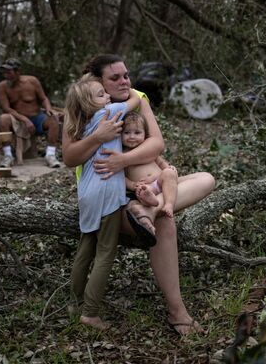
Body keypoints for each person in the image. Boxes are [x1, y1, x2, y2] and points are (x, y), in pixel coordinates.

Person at [62, 54, 215, 336]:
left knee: (206, 178)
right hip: (112, 199)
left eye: (126, 75)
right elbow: (70, 157)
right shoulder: (84, 105)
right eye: (115, 78)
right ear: (98, 83)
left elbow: (157, 143)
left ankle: (150, 209)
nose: (124, 81)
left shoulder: (137, 97)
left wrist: (122, 160)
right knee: (165, 225)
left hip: (148, 189)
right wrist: (99, 141)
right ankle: (177, 312)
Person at [64, 74, 141, 330]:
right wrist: (134, 93)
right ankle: (90, 312)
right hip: (107, 192)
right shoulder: (110, 112)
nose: (107, 96)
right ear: (90, 104)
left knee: (86, 246)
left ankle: (74, 303)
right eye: (100, 94)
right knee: (106, 252)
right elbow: (133, 101)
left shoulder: (84, 125)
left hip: (86, 192)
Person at [0, 58, 61, 168]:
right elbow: (6, 108)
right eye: (4, 72)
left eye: (9, 72)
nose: (6, 75)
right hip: (17, 120)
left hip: (37, 118)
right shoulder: (2, 86)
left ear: (18, 72)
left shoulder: (32, 81)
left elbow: (43, 98)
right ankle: (8, 155)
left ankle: (50, 155)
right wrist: (24, 119)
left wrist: (49, 108)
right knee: (3, 118)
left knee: (53, 119)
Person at [122, 111, 178, 219]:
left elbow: (160, 162)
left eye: (137, 133)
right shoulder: (123, 154)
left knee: (169, 174)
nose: (132, 136)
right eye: (127, 132)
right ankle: (149, 200)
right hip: (146, 186)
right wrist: (132, 185)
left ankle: (169, 204)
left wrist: (168, 168)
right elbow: (121, 176)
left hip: (159, 180)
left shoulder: (147, 149)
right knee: (142, 192)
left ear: (145, 134)